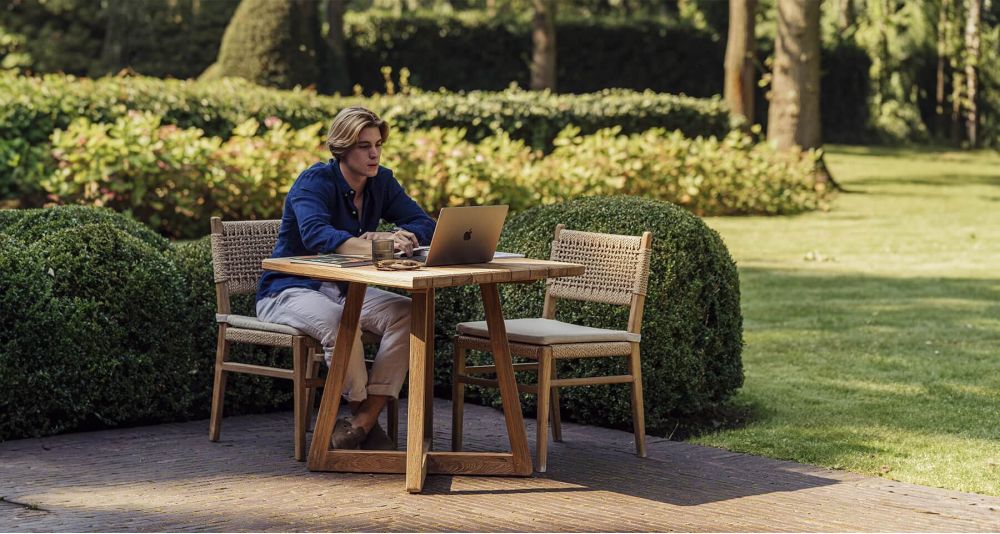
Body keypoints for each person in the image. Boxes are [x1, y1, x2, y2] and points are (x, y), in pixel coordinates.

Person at [256, 106, 435, 451]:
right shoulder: (314, 181)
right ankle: (361, 419)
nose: (373, 154)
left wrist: (405, 235)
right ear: (342, 148)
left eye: (378, 144)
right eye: (363, 146)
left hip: (345, 288)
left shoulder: (381, 180)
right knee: (343, 324)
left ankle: (363, 421)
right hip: (288, 289)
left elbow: (423, 222)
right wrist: (378, 245)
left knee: (411, 313)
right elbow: (316, 235)